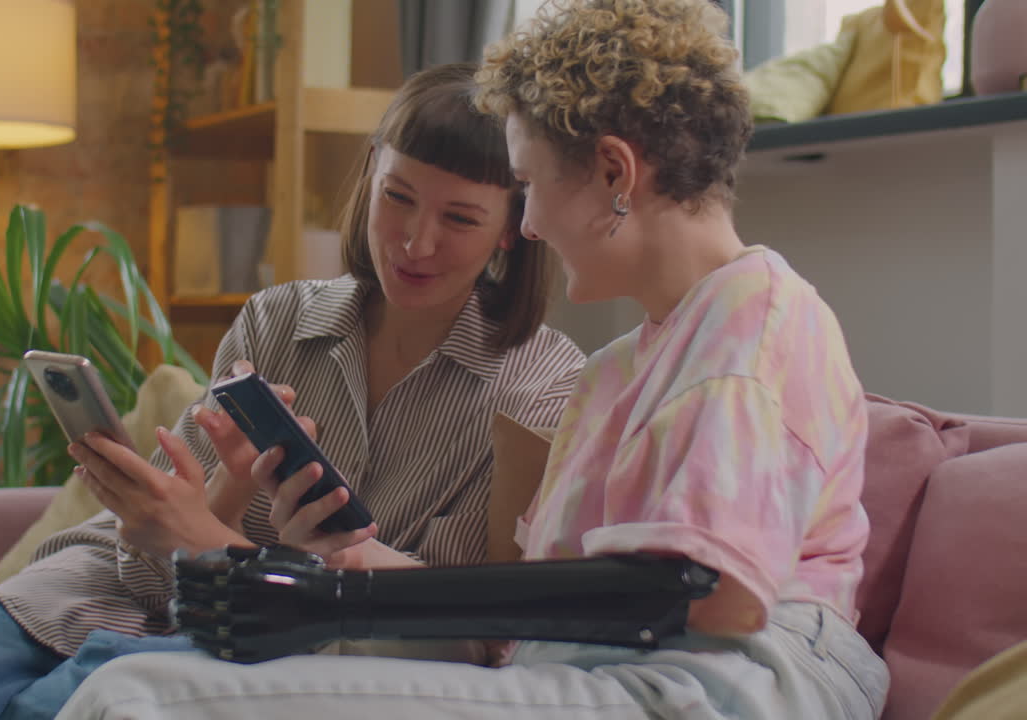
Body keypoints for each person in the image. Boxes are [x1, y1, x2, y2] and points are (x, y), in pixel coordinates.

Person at [52, 1, 891, 719]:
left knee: (139, 700)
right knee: (143, 674)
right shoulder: (618, 372)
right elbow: (516, 628)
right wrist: (346, 564)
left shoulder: (752, 326)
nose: (523, 229)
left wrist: (343, 599)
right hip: (587, 670)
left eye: (527, 188)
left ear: (613, 174)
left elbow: (712, 598)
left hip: (716, 686)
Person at [0, 62, 585, 720]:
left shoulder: (539, 388)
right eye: (397, 198)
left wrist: (220, 541)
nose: (416, 242)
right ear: (369, 181)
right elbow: (157, 548)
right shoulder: (279, 317)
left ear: (511, 231)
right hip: (114, 585)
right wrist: (211, 496)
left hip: (259, 638)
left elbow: (464, 621)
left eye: (459, 218)